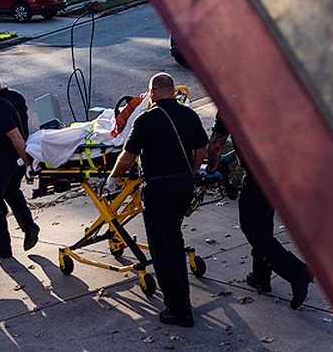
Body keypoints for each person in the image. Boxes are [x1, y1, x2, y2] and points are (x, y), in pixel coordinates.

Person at [106, 72, 208, 328]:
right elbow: (201, 149)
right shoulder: (189, 115)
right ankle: (180, 302)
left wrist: (113, 178)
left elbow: (127, 158)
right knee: (173, 240)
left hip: (159, 189)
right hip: (183, 186)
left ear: (151, 94)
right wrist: (191, 173)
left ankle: (179, 310)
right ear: (173, 91)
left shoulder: (146, 120)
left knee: (165, 250)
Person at [204, 113, 312, 309]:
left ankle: (296, 272)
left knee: (252, 228)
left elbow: (217, 142)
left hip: (260, 174)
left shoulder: (229, 102)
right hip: (284, 168)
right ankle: (260, 277)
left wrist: (210, 169)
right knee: (262, 225)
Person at [0, 68, 40, 260]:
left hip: (5, 158)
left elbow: (15, 136)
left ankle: (2, 248)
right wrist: (24, 160)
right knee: (11, 191)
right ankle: (28, 226)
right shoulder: (15, 96)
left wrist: (28, 164)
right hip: (20, 156)